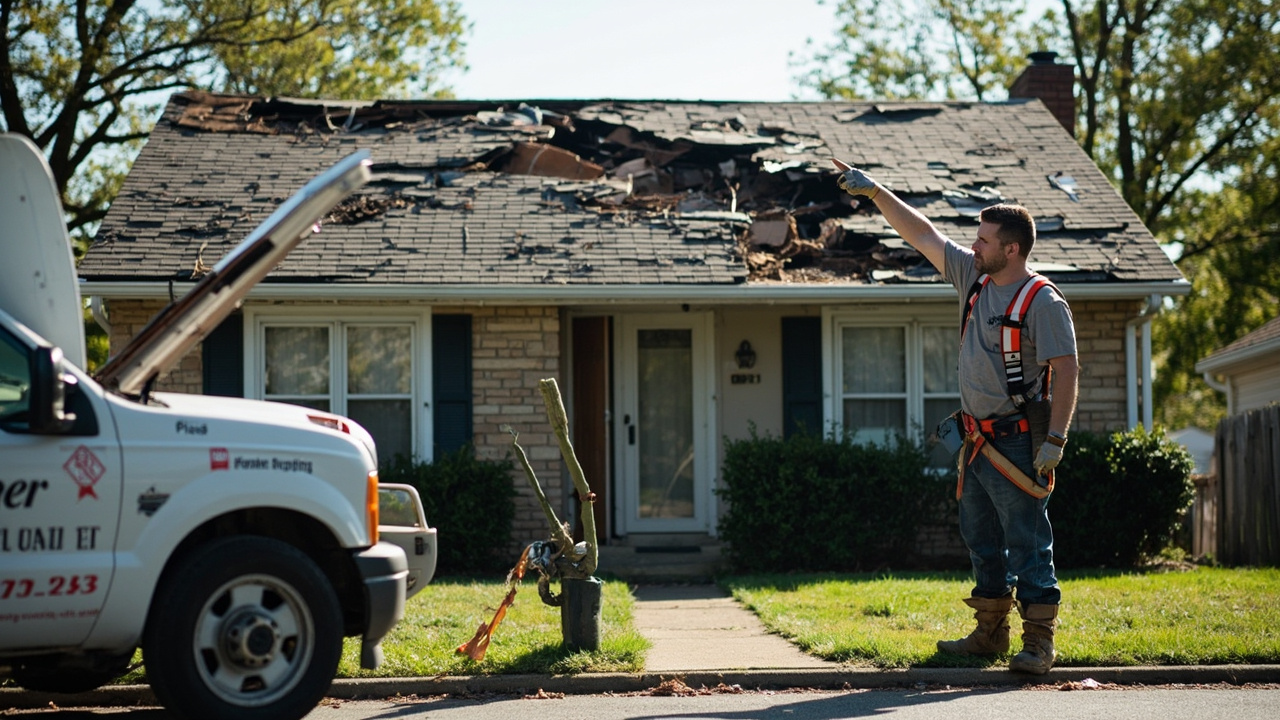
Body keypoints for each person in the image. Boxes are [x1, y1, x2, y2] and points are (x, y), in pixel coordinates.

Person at [838, 165, 1078, 675]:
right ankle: (990, 634)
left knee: (1029, 542)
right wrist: (875, 190)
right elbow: (923, 233)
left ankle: (1038, 643)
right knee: (980, 539)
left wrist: (1055, 439)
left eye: (984, 239)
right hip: (975, 440)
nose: (974, 246)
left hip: (1018, 444)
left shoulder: (1043, 301)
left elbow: (1068, 368)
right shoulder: (974, 277)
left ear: (1011, 249)